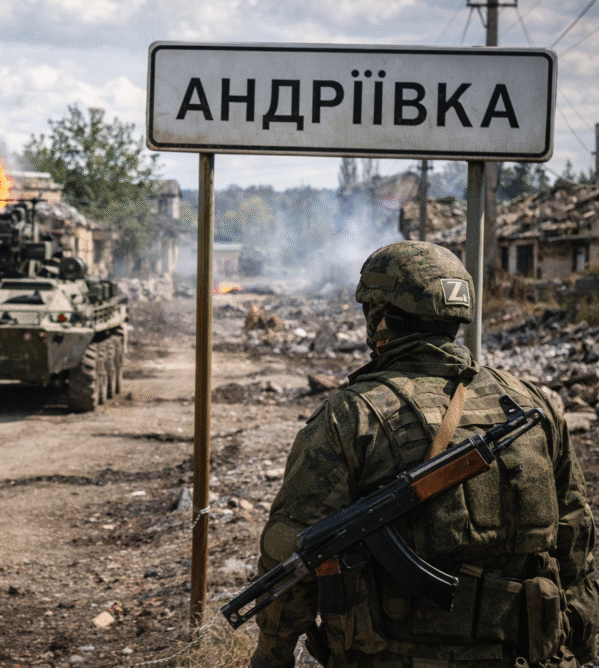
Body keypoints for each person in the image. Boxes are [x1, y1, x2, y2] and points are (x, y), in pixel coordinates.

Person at [251, 241, 598, 668]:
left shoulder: (352, 417)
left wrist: (272, 655)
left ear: (379, 320)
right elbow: (576, 545)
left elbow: (293, 557)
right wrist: (581, 650)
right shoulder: (535, 404)